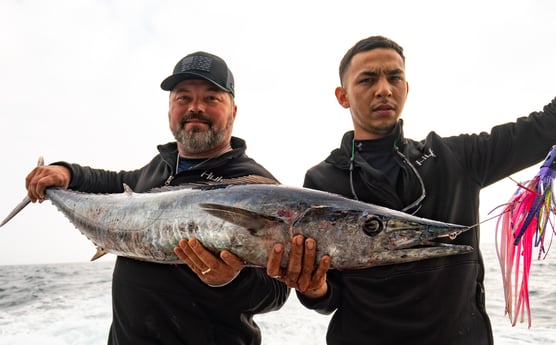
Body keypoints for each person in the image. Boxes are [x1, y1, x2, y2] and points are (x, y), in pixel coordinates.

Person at [266, 35, 556, 344]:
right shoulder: (323, 180)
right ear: (343, 96)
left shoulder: (457, 157)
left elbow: (543, 128)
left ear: (406, 88)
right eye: (367, 79)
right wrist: (313, 288)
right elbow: (331, 296)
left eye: (394, 77)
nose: (383, 89)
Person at [25, 51, 290, 345]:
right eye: (183, 98)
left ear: (234, 111)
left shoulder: (258, 187)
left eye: (211, 98)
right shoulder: (158, 169)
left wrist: (233, 279)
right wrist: (66, 173)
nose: (195, 107)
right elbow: (114, 182)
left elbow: (278, 292)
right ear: (170, 109)